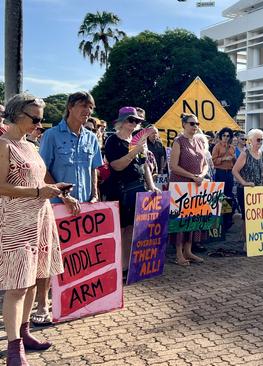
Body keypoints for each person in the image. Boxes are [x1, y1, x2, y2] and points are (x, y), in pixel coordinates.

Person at [0, 94, 68, 363]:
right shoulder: (4, 145)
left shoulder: (30, 145)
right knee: (17, 286)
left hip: (40, 218)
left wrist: (59, 193)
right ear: (17, 114)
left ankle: (25, 332)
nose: (40, 125)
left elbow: (40, 179)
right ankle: (14, 345)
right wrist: (39, 191)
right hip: (16, 223)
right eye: (36, 118)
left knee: (32, 282)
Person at [38, 91, 103, 326]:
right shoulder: (52, 136)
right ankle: (42, 305)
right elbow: (42, 170)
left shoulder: (91, 138)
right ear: (70, 107)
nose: (87, 112)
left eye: (91, 108)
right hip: (56, 207)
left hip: (84, 207)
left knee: (80, 255)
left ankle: (74, 298)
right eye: (83, 106)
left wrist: (95, 195)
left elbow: (94, 169)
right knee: (51, 257)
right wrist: (63, 195)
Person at [104, 107, 159, 274]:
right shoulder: (112, 140)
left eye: (137, 121)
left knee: (130, 229)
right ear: (121, 121)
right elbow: (116, 166)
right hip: (119, 190)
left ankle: (125, 266)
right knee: (119, 230)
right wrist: (133, 152)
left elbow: (145, 166)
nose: (134, 123)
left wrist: (152, 186)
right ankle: (116, 265)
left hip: (136, 188)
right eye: (131, 120)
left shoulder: (138, 141)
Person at [168, 113, 209, 265]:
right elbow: (173, 166)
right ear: (184, 124)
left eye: (197, 123)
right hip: (181, 185)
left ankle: (189, 250)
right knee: (180, 220)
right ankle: (179, 254)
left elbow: (205, 164)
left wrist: (201, 176)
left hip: (196, 185)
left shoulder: (199, 141)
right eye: (192, 123)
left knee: (192, 218)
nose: (195, 126)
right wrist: (192, 176)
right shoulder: (178, 141)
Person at [232, 129, 263, 243]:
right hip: (245, 190)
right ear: (251, 140)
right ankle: (247, 242)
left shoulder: (262, 154)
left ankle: (255, 241)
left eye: (262, 140)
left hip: (259, 190)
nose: (260, 142)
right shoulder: (245, 154)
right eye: (258, 140)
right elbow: (235, 171)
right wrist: (244, 183)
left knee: (257, 216)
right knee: (247, 217)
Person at [212, 127, 236, 198]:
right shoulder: (217, 147)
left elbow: (234, 163)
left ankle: (228, 209)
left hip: (229, 173)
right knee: (220, 194)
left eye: (228, 136)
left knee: (229, 194)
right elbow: (213, 161)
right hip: (220, 173)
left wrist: (234, 158)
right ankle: (220, 209)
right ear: (221, 136)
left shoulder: (232, 147)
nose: (226, 137)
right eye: (224, 135)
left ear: (230, 137)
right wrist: (224, 159)